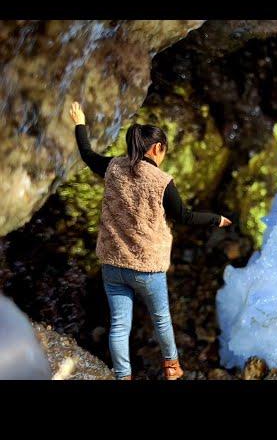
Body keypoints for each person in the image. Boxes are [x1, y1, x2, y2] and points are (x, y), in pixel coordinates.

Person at [69, 102, 232, 380]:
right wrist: (216, 219)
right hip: (147, 268)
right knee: (161, 320)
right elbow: (185, 216)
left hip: (112, 264)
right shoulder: (161, 181)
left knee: (119, 325)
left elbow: (86, 154)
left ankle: (123, 376)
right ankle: (172, 367)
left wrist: (80, 123)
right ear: (157, 148)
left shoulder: (113, 168)